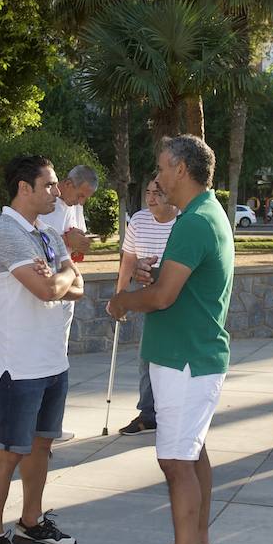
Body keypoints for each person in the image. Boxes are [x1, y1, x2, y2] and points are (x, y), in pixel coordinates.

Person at [109, 135, 233, 544]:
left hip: (186, 359)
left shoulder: (196, 221)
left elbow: (163, 298)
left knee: (176, 461)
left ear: (182, 169)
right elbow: (174, 282)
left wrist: (122, 300)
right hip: (189, 356)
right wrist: (155, 277)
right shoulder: (203, 215)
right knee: (192, 451)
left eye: (162, 167)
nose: (157, 177)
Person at [0, 155, 84, 544]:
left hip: (53, 359)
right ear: (25, 188)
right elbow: (48, 288)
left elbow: (75, 282)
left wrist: (61, 273)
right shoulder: (3, 233)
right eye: (51, 185)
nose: (58, 192)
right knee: (9, 452)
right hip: (18, 366)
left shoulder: (47, 233)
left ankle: (31, 522)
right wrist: (61, 276)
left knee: (42, 445)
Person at [116, 180, 178, 436]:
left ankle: (172, 411)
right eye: (148, 193)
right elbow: (128, 260)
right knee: (147, 357)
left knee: (173, 359)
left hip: (178, 297)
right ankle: (148, 413)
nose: (151, 199)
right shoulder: (139, 221)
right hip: (147, 296)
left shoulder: (184, 222)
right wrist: (120, 295)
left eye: (158, 194)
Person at [45, 164, 98, 261]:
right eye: (80, 196)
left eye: (86, 198)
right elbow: (31, 241)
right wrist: (66, 240)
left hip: (66, 272)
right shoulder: (44, 202)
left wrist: (81, 245)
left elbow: (76, 248)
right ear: (68, 184)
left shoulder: (76, 205)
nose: (81, 202)